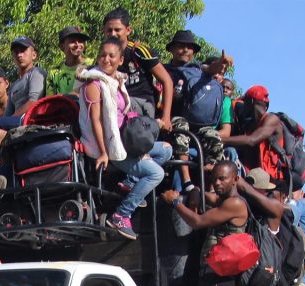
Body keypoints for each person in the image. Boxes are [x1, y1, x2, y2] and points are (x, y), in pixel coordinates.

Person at [76, 37, 173, 241]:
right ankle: (122, 214)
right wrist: (103, 152)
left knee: (166, 149)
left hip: (124, 142)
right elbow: (96, 121)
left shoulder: (116, 81)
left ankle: (131, 182)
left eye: (112, 56)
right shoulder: (94, 84)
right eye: (102, 55)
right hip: (110, 147)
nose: (106, 59)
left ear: (121, 60)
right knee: (156, 173)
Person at [164, 30, 229, 193]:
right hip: (173, 120)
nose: (185, 50)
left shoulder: (198, 69)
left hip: (198, 123)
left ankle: (213, 188)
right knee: (182, 129)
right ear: (171, 49)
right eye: (180, 46)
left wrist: (221, 64)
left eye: (189, 47)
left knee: (215, 138)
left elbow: (211, 68)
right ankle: (186, 182)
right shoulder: (163, 70)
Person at [102, 7, 174, 132]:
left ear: (128, 30)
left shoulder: (139, 51)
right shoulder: (104, 55)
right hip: (119, 104)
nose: (113, 34)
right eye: (109, 30)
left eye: (117, 30)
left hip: (141, 104)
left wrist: (166, 118)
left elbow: (167, 81)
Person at [224, 85, 287, 183]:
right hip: (254, 177)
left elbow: (252, 140)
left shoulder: (272, 119)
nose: (243, 106)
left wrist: (220, 139)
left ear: (251, 102)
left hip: (270, 181)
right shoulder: (251, 125)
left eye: (245, 103)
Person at [0, 37, 47, 129]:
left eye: (23, 51)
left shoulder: (36, 73)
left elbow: (33, 102)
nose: (19, 55)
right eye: (16, 52)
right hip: (16, 122)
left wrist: (8, 121)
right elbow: (8, 113)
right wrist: (6, 121)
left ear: (34, 55)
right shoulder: (14, 85)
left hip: (31, 119)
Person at [46, 26, 91, 96]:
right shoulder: (54, 73)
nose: (77, 44)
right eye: (72, 41)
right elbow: (50, 101)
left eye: (80, 41)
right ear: (62, 46)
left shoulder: (93, 65)